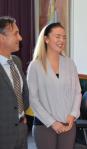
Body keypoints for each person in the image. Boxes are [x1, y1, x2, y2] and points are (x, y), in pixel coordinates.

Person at [27, 22, 82, 149]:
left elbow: (77, 92)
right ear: (46, 39)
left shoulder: (70, 63)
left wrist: (72, 115)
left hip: (68, 124)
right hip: (44, 125)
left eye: (64, 37)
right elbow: (32, 99)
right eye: (57, 36)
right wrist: (52, 122)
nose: (61, 40)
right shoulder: (35, 66)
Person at [0, 16, 29, 149]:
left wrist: (22, 117)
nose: (20, 38)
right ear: (2, 37)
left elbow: (22, 94)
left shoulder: (16, 61)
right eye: (16, 33)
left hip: (22, 130)